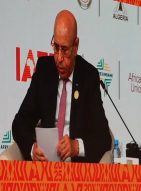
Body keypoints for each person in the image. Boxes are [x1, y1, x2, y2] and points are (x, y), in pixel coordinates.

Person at [12, 10, 111, 163]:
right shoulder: (44, 70)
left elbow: (103, 136)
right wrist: (32, 149)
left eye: (64, 50)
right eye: (55, 47)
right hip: (45, 166)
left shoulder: (89, 76)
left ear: (76, 46)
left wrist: (77, 146)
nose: (58, 58)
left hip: (75, 169)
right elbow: (20, 123)